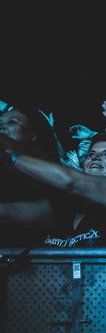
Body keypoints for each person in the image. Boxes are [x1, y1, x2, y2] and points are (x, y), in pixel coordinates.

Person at [0, 105, 63, 247]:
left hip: (29, 254)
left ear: (33, 134)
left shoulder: (41, 162)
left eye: (12, 122)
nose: (2, 127)